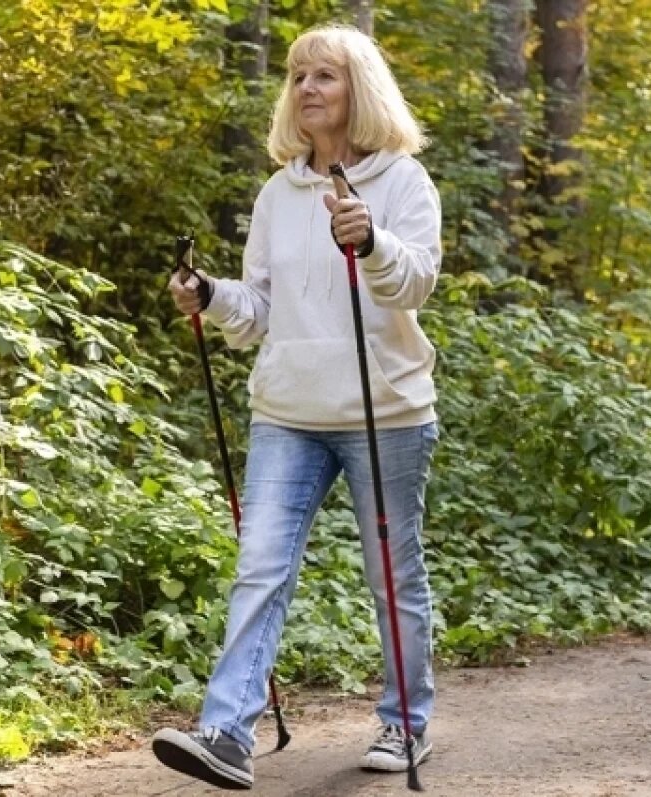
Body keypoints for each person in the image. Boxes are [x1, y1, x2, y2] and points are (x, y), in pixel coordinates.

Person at [151, 23, 443, 791]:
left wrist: (371, 241)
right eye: (298, 76)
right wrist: (210, 295)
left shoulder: (403, 181)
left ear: (359, 89)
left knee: (392, 574)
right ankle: (227, 732)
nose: (307, 88)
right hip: (288, 410)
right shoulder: (279, 192)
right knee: (260, 565)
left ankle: (405, 722)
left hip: (386, 410)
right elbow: (259, 308)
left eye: (325, 75)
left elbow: (416, 282)